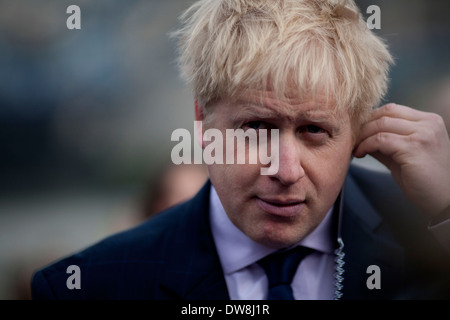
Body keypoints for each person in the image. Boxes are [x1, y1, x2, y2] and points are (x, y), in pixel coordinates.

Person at [31, 0, 450, 300]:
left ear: (358, 132)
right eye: (256, 128)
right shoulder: (92, 285)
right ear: (203, 119)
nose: (285, 170)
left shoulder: (431, 231)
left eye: (314, 130)